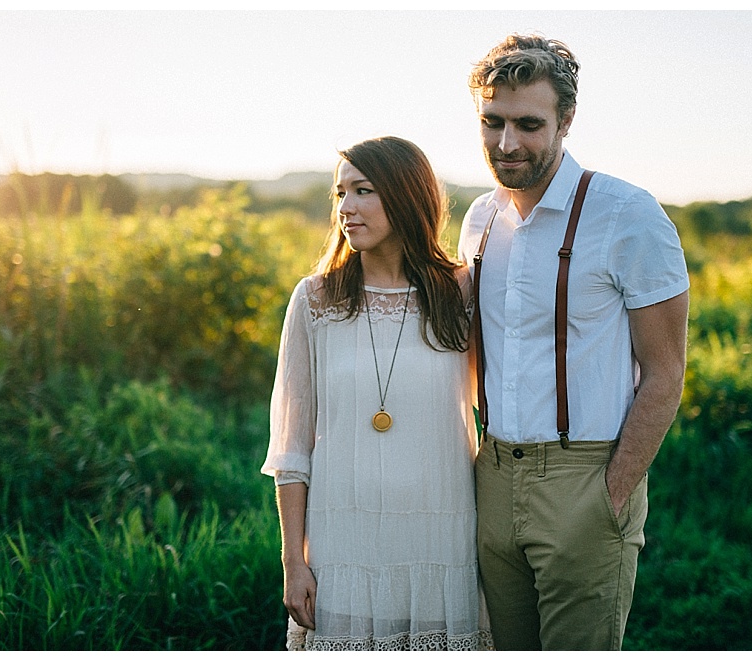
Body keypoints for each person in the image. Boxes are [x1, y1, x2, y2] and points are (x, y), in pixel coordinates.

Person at [457, 34, 690, 651]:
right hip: (493, 473)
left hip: (584, 475)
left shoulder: (628, 214)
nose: (507, 144)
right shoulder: (479, 219)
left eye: (528, 124)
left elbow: (665, 373)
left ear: (566, 120)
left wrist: (612, 492)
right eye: (492, 122)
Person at [261, 136, 491, 651]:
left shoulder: (462, 292)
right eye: (340, 193)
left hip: (443, 534)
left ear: (407, 196)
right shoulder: (315, 299)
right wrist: (293, 563)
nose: (346, 208)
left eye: (363, 191)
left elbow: (499, 402)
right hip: (344, 537)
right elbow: (292, 449)